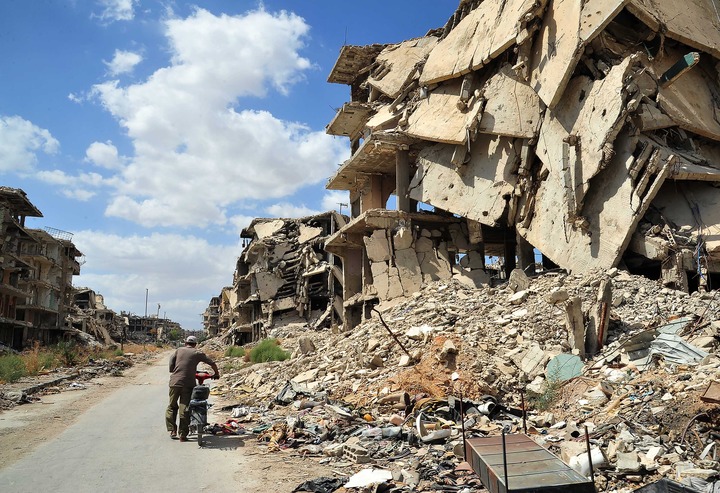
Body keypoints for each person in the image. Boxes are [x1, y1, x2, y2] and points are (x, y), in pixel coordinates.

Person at [165, 335, 220, 442]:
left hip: (174, 383)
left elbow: (171, 366)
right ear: (195, 344)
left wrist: (175, 370)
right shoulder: (197, 353)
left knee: (172, 406)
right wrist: (216, 374)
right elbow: (212, 363)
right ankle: (183, 435)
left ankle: (172, 430)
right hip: (188, 384)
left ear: (186, 343)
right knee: (185, 408)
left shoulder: (178, 350)